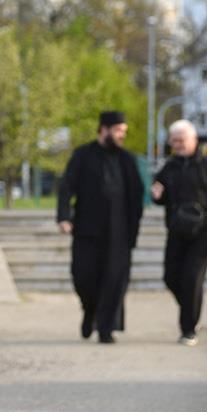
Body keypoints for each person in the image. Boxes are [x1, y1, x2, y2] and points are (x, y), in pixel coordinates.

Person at [56, 111, 145, 343]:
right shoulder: (83, 156)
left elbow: (137, 196)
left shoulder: (127, 159)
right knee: (82, 277)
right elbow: (66, 187)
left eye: (123, 132)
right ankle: (89, 311)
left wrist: (133, 231)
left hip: (119, 233)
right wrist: (64, 217)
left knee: (114, 280)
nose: (121, 136)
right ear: (103, 129)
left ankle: (106, 328)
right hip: (86, 229)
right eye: (118, 131)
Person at [150, 120, 207, 346]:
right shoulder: (168, 167)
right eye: (174, 141)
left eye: (182, 140)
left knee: (191, 278)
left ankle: (188, 329)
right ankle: (191, 309)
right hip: (176, 230)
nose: (177, 145)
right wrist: (157, 196)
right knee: (170, 277)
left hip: (203, 231)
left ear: (194, 140)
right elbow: (160, 197)